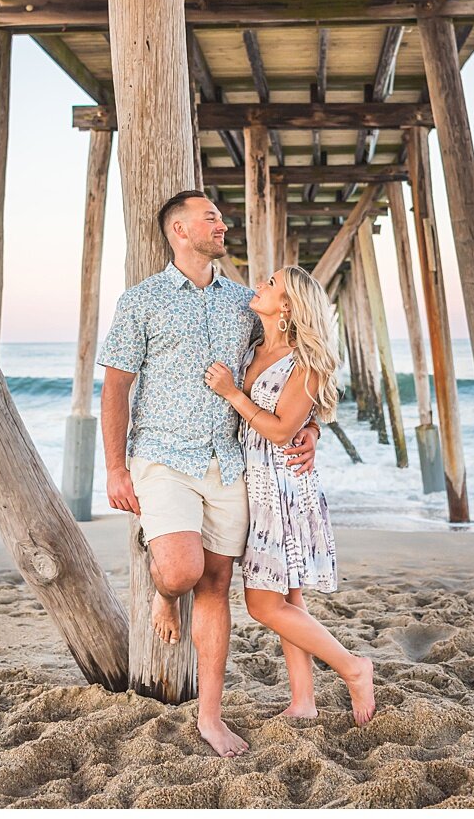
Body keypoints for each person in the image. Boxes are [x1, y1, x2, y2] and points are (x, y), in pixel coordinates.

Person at [99, 190, 320, 757]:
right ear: (178, 230)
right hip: (163, 455)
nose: (222, 225)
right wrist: (116, 467)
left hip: (229, 460)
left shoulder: (245, 303)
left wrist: (309, 427)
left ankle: (210, 716)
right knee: (179, 570)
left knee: (218, 585)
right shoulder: (140, 301)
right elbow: (117, 387)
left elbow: (290, 361)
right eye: (210, 218)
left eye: (220, 217)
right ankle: (164, 595)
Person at [204, 264, 376, 725]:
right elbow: (298, 422)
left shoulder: (305, 363)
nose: (260, 284)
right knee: (289, 599)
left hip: (281, 489)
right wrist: (314, 428)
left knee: (263, 604)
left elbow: (281, 430)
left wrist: (232, 394)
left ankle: (353, 667)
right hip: (255, 481)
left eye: (272, 283)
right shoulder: (252, 344)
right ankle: (303, 701)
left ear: (288, 306)